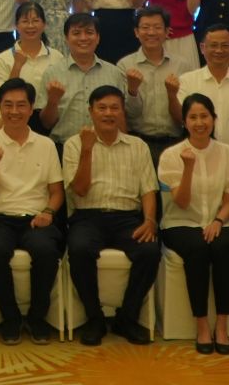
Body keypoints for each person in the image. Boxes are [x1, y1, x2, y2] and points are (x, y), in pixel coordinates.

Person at [62, 86, 158, 346]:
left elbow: (148, 189)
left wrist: (150, 221)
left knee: (149, 251)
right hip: (87, 216)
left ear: (122, 111)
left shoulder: (137, 146)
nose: (108, 113)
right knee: (79, 249)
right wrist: (87, 150)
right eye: (102, 108)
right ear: (90, 111)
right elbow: (80, 190)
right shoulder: (74, 144)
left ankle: (126, 318)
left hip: (127, 217)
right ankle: (94, 319)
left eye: (114, 108)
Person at [0, 78, 65, 345]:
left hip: (36, 216)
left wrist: (48, 212)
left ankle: (37, 317)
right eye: (8, 105)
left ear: (31, 108)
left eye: (21, 105)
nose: (14, 111)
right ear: (0, 107)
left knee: (46, 251)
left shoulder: (46, 144)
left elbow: (57, 192)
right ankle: (10, 317)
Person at [158, 93, 229, 355]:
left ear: (214, 119)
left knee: (224, 246)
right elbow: (181, 202)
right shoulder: (171, 155)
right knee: (197, 248)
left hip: (221, 220)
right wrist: (188, 167)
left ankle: (222, 326)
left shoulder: (228, 153)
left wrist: (218, 220)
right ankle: (202, 325)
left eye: (204, 116)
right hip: (181, 222)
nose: (199, 123)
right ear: (184, 122)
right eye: (193, 117)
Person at [39, 13, 137, 141]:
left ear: (98, 38)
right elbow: (46, 124)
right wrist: (53, 100)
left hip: (105, 147)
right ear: (66, 38)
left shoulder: (114, 73)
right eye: (76, 33)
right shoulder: (52, 73)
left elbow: (121, 117)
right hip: (63, 145)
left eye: (89, 32)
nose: (83, 38)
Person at [174, 24, 229, 150]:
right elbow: (180, 119)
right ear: (202, 48)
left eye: (225, 45)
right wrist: (171, 94)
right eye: (213, 45)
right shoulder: (187, 81)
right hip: (197, 155)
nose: (219, 50)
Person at [119, 6, 185, 163]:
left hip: (175, 143)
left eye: (157, 27)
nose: (151, 32)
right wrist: (133, 90)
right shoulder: (124, 65)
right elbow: (129, 114)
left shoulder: (182, 65)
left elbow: (186, 116)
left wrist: (172, 94)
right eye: (145, 27)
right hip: (138, 142)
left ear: (167, 31)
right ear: (136, 32)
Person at [0, 1, 57, 86]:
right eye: (25, 21)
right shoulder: (2, 59)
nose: (30, 26)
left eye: (35, 21)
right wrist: (17, 66)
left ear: (44, 24)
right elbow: (2, 93)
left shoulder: (56, 57)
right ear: (16, 25)